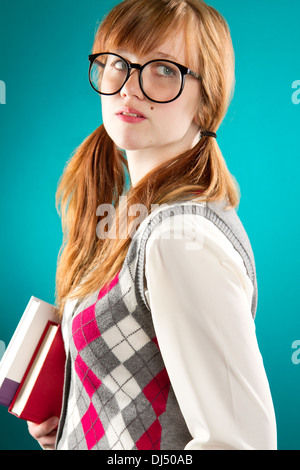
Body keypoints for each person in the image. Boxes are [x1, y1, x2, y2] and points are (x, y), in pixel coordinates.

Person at [28, 0, 277, 450]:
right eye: (119, 64)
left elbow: (240, 443)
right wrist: (76, 418)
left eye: (163, 69)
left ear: (207, 100)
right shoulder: (138, 218)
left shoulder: (177, 239)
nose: (130, 89)